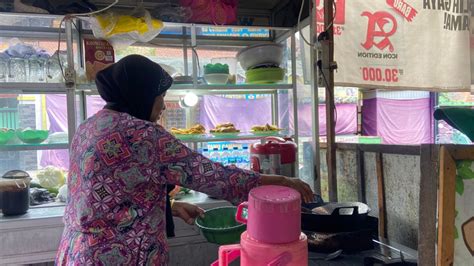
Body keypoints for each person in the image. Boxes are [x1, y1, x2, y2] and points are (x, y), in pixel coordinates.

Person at [56, 54, 313, 265]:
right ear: (141, 95)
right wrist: (279, 181)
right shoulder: (142, 135)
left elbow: (109, 191)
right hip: (119, 256)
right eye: (160, 97)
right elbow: (216, 177)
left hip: (77, 251)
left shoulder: (90, 126)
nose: (164, 107)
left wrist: (170, 206)